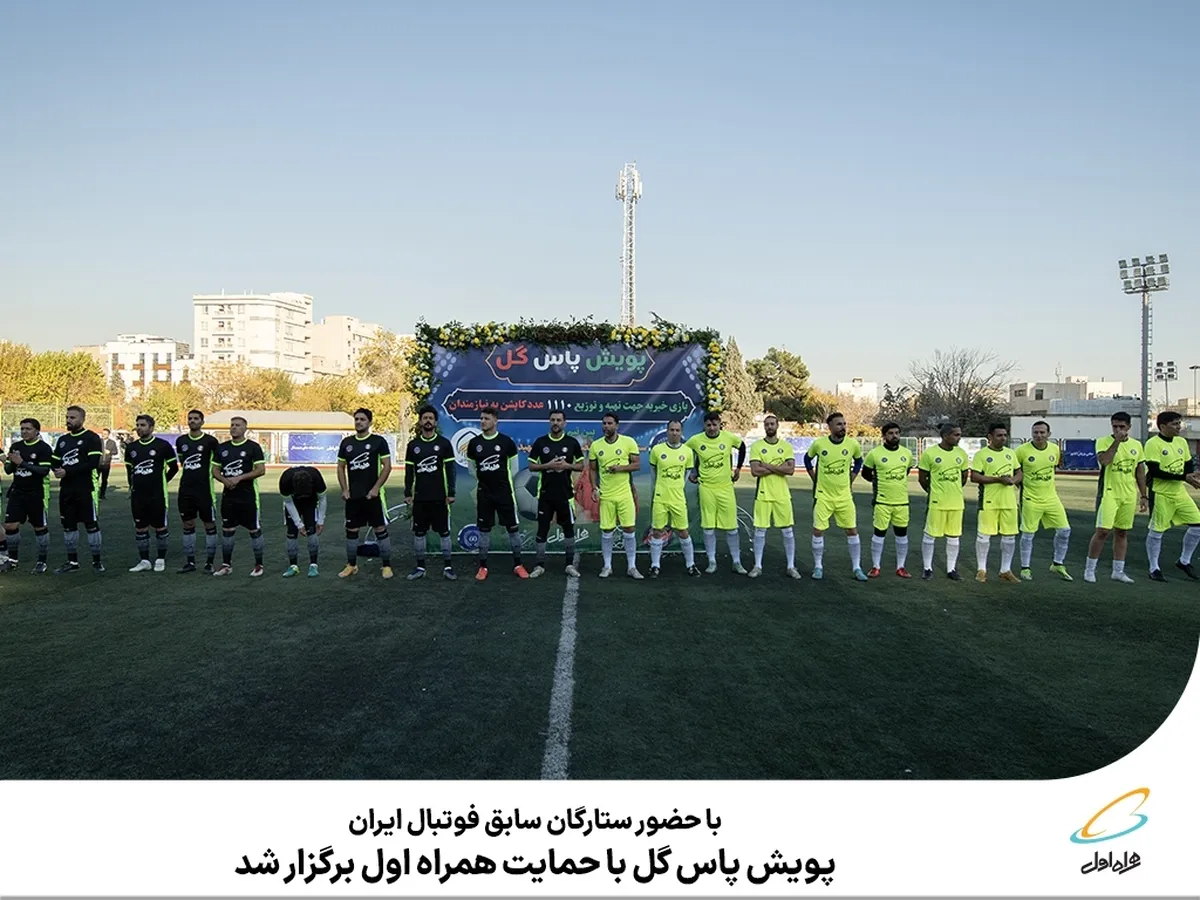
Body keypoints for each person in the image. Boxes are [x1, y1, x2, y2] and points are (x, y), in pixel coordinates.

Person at [1083, 412, 1146, 584]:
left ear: (1129, 427)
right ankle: (1090, 569)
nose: (1118, 430)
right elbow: (1105, 461)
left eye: (1122, 427)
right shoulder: (1103, 441)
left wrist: (1143, 495)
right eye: (1115, 426)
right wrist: (1117, 441)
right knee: (1102, 531)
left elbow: (1140, 471)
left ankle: (1118, 571)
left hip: (1128, 494)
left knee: (1122, 532)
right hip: (1109, 492)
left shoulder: (1136, 445)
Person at [466, 407, 528, 580]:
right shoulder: (474, 443)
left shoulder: (506, 442)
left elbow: (514, 468)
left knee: (513, 529)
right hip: (484, 494)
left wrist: (500, 481)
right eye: (481, 418)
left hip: (504, 493)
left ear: (495, 421)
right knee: (484, 530)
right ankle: (483, 567)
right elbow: (471, 468)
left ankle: (518, 565)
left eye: (486, 418)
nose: (483, 421)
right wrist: (485, 479)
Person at [803, 412, 866, 581]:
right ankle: (818, 566)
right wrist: (814, 478)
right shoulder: (819, 444)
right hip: (823, 497)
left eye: (844, 424)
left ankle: (857, 568)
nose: (843, 427)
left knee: (852, 530)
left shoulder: (852, 444)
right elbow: (807, 459)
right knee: (818, 530)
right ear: (830, 427)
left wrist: (853, 476)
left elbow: (859, 461)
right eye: (839, 424)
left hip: (844, 496)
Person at [686, 412, 747, 574]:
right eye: (709, 425)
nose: (712, 428)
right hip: (706, 488)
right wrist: (692, 471)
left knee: (731, 527)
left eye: (715, 424)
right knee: (708, 527)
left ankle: (736, 562)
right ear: (704, 425)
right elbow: (684, 453)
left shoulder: (728, 438)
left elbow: (742, 447)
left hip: (726, 487)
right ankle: (712, 561)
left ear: (720, 424)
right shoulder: (696, 440)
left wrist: (738, 468)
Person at [1142, 410, 1200, 581]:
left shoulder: (1181, 442)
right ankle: (1154, 568)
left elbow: (1188, 466)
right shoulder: (1153, 444)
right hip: (1161, 494)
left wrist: (1192, 476)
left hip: (1179, 492)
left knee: (1198, 525)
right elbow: (1155, 472)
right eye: (1175, 424)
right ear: (1162, 426)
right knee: (1156, 530)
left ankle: (1184, 561)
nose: (1179, 427)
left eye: (1179, 423)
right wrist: (1184, 477)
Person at [337, 408, 394, 579]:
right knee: (352, 530)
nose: (359, 422)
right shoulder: (346, 443)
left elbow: (387, 466)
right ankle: (351, 565)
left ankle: (386, 566)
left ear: (370, 422)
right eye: (356, 419)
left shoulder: (378, 442)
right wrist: (344, 489)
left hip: (373, 496)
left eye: (362, 419)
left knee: (380, 529)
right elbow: (340, 467)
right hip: (354, 497)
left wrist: (376, 488)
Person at [527, 410, 584, 579]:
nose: (555, 423)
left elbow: (581, 466)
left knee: (568, 530)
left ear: (564, 423)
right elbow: (531, 466)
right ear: (549, 422)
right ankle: (539, 565)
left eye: (559, 420)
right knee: (542, 530)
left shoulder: (571, 443)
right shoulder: (541, 442)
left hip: (565, 494)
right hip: (545, 494)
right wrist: (548, 465)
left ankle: (569, 565)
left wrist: (566, 466)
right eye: (552, 420)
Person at [403, 404, 458, 581]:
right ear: (420, 422)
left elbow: (451, 470)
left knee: (444, 533)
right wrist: (407, 493)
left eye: (431, 418)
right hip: (420, 498)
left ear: (435, 422)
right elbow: (409, 472)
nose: (428, 421)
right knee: (419, 533)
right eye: (425, 418)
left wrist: (451, 492)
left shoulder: (444, 444)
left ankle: (448, 567)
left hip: (440, 498)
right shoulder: (413, 446)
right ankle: (420, 567)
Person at [1015, 421, 1073, 581]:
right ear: (1031, 434)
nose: (1039, 435)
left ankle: (1057, 563)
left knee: (1065, 530)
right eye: (1035, 432)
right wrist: (1022, 486)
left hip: (1051, 497)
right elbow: (1015, 471)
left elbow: (1052, 469)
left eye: (1042, 432)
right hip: (1030, 499)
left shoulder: (1054, 449)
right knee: (1028, 534)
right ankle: (1025, 568)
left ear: (1049, 434)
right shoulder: (1021, 451)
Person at [51, 405, 105, 574]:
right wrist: (56, 469)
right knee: (68, 526)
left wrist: (67, 471)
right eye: (67, 417)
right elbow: (55, 460)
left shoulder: (92, 438)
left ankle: (97, 562)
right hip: (66, 490)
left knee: (91, 524)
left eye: (72, 417)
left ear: (82, 419)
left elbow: (93, 464)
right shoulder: (63, 440)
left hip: (86, 488)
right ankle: (72, 562)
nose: (68, 420)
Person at [748, 414, 802, 579]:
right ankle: (757, 566)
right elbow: (755, 471)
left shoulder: (786, 446)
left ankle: (791, 566)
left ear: (777, 425)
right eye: (767, 424)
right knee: (760, 530)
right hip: (763, 494)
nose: (770, 427)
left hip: (782, 495)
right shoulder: (757, 446)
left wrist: (766, 465)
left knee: (787, 530)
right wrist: (779, 467)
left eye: (772, 424)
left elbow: (790, 470)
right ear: (764, 427)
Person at [211, 416, 266, 577]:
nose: (234, 427)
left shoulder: (253, 447)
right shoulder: (222, 448)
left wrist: (239, 478)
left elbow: (261, 470)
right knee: (227, 530)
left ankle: (259, 565)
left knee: (254, 530)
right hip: (229, 497)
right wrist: (225, 481)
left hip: (248, 497)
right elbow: (215, 470)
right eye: (232, 425)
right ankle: (226, 565)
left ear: (245, 428)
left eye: (237, 425)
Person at [589, 412, 642, 578]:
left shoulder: (628, 442)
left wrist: (620, 468)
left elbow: (637, 465)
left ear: (617, 425)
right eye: (604, 423)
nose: (606, 426)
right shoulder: (596, 445)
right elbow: (592, 469)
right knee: (607, 530)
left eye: (609, 423)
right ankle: (607, 566)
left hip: (625, 494)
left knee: (629, 528)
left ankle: (632, 567)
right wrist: (594, 487)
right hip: (606, 495)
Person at [124, 415, 179, 572]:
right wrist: (132, 486)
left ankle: (160, 559)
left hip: (157, 495)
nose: (139, 428)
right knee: (140, 528)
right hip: (138, 495)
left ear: (151, 427)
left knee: (160, 527)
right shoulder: (131, 448)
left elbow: (174, 468)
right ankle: (144, 561)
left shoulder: (162, 446)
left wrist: (163, 481)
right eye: (137, 425)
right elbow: (129, 470)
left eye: (143, 425)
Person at [860, 422, 914, 578]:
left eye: (897, 433)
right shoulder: (875, 454)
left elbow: (906, 471)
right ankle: (876, 566)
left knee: (902, 535)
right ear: (884, 436)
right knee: (879, 534)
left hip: (902, 502)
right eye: (890, 433)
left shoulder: (906, 453)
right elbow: (866, 473)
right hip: (882, 501)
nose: (894, 436)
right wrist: (878, 483)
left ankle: (901, 567)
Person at [917, 423, 970, 581]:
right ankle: (927, 568)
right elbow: (922, 478)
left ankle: (951, 569)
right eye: (956, 435)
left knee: (954, 537)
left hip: (956, 503)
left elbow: (963, 477)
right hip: (937, 502)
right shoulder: (930, 453)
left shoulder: (961, 453)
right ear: (945, 436)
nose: (959, 438)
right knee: (930, 535)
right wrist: (934, 492)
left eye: (959, 435)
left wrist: (953, 490)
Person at [647, 419, 700, 578]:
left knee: (683, 531)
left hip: (678, 498)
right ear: (667, 431)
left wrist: (677, 488)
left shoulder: (687, 452)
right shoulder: (657, 450)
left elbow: (686, 475)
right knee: (657, 531)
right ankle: (655, 566)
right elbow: (653, 474)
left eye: (677, 430)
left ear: (681, 432)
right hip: (660, 498)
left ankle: (691, 565)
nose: (674, 433)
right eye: (672, 430)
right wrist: (658, 490)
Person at [970, 424, 1021, 583]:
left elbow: (1019, 472)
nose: (1003, 438)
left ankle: (1005, 570)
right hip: (989, 502)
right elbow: (974, 477)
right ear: (990, 437)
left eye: (1005, 435)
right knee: (984, 536)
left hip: (1009, 502)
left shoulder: (1010, 453)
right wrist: (998, 479)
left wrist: (1013, 480)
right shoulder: (981, 455)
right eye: (999, 435)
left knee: (1009, 536)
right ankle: (981, 570)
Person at [1, 418, 53, 573]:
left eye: (28, 429)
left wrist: (22, 463)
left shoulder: (43, 448)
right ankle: (12, 560)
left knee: (39, 527)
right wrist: (9, 461)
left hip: (35, 493)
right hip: (17, 492)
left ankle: (42, 561)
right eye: (22, 429)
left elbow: (44, 471)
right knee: (10, 525)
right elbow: (9, 470)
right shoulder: (16, 446)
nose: (24, 431)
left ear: (36, 431)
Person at [175, 409, 221, 573]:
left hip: (205, 490)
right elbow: (182, 462)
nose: (192, 421)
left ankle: (209, 563)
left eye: (196, 418)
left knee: (209, 524)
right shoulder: (181, 441)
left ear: (202, 422)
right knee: (188, 524)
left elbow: (218, 463)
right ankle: (190, 562)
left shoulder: (211, 441)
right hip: (186, 490)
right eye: (190, 418)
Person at [279, 464, 327, 577]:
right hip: (293, 501)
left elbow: (322, 499)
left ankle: (314, 565)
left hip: (310, 502)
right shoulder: (285, 481)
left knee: (312, 530)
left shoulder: (316, 477)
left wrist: (321, 521)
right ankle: (293, 566)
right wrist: (299, 524)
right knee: (291, 532)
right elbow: (288, 503)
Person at [98, 428, 119, 500]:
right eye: (102, 433)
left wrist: (110, 452)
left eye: (105, 434)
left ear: (108, 435)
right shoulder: (98, 441)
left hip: (106, 464)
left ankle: (102, 495)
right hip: (98, 463)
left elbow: (116, 452)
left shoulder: (112, 442)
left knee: (104, 480)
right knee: (95, 479)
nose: (103, 435)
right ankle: (94, 493)